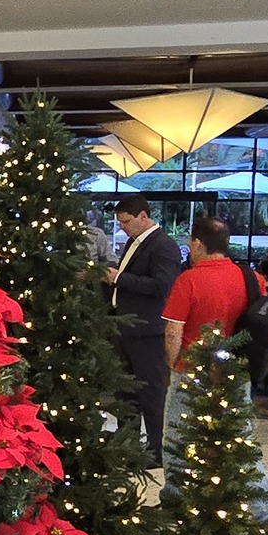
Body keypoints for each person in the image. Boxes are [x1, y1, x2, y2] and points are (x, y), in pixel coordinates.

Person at [106, 200, 183, 467]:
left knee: (150, 391)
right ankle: (127, 443)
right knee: (125, 390)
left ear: (144, 216)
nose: (122, 227)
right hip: (126, 327)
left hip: (147, 330)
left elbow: (163, 286)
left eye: (126, 221)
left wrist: (119, 278)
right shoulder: (133, 243)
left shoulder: (164, 246)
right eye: (120, 222)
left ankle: (155, 450)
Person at [162, 216, 248, 372]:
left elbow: (173, 331)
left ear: (197, 244)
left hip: (192, 367)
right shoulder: (252, 279)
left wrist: (173, 364)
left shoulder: (188, 280)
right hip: (236, 367)